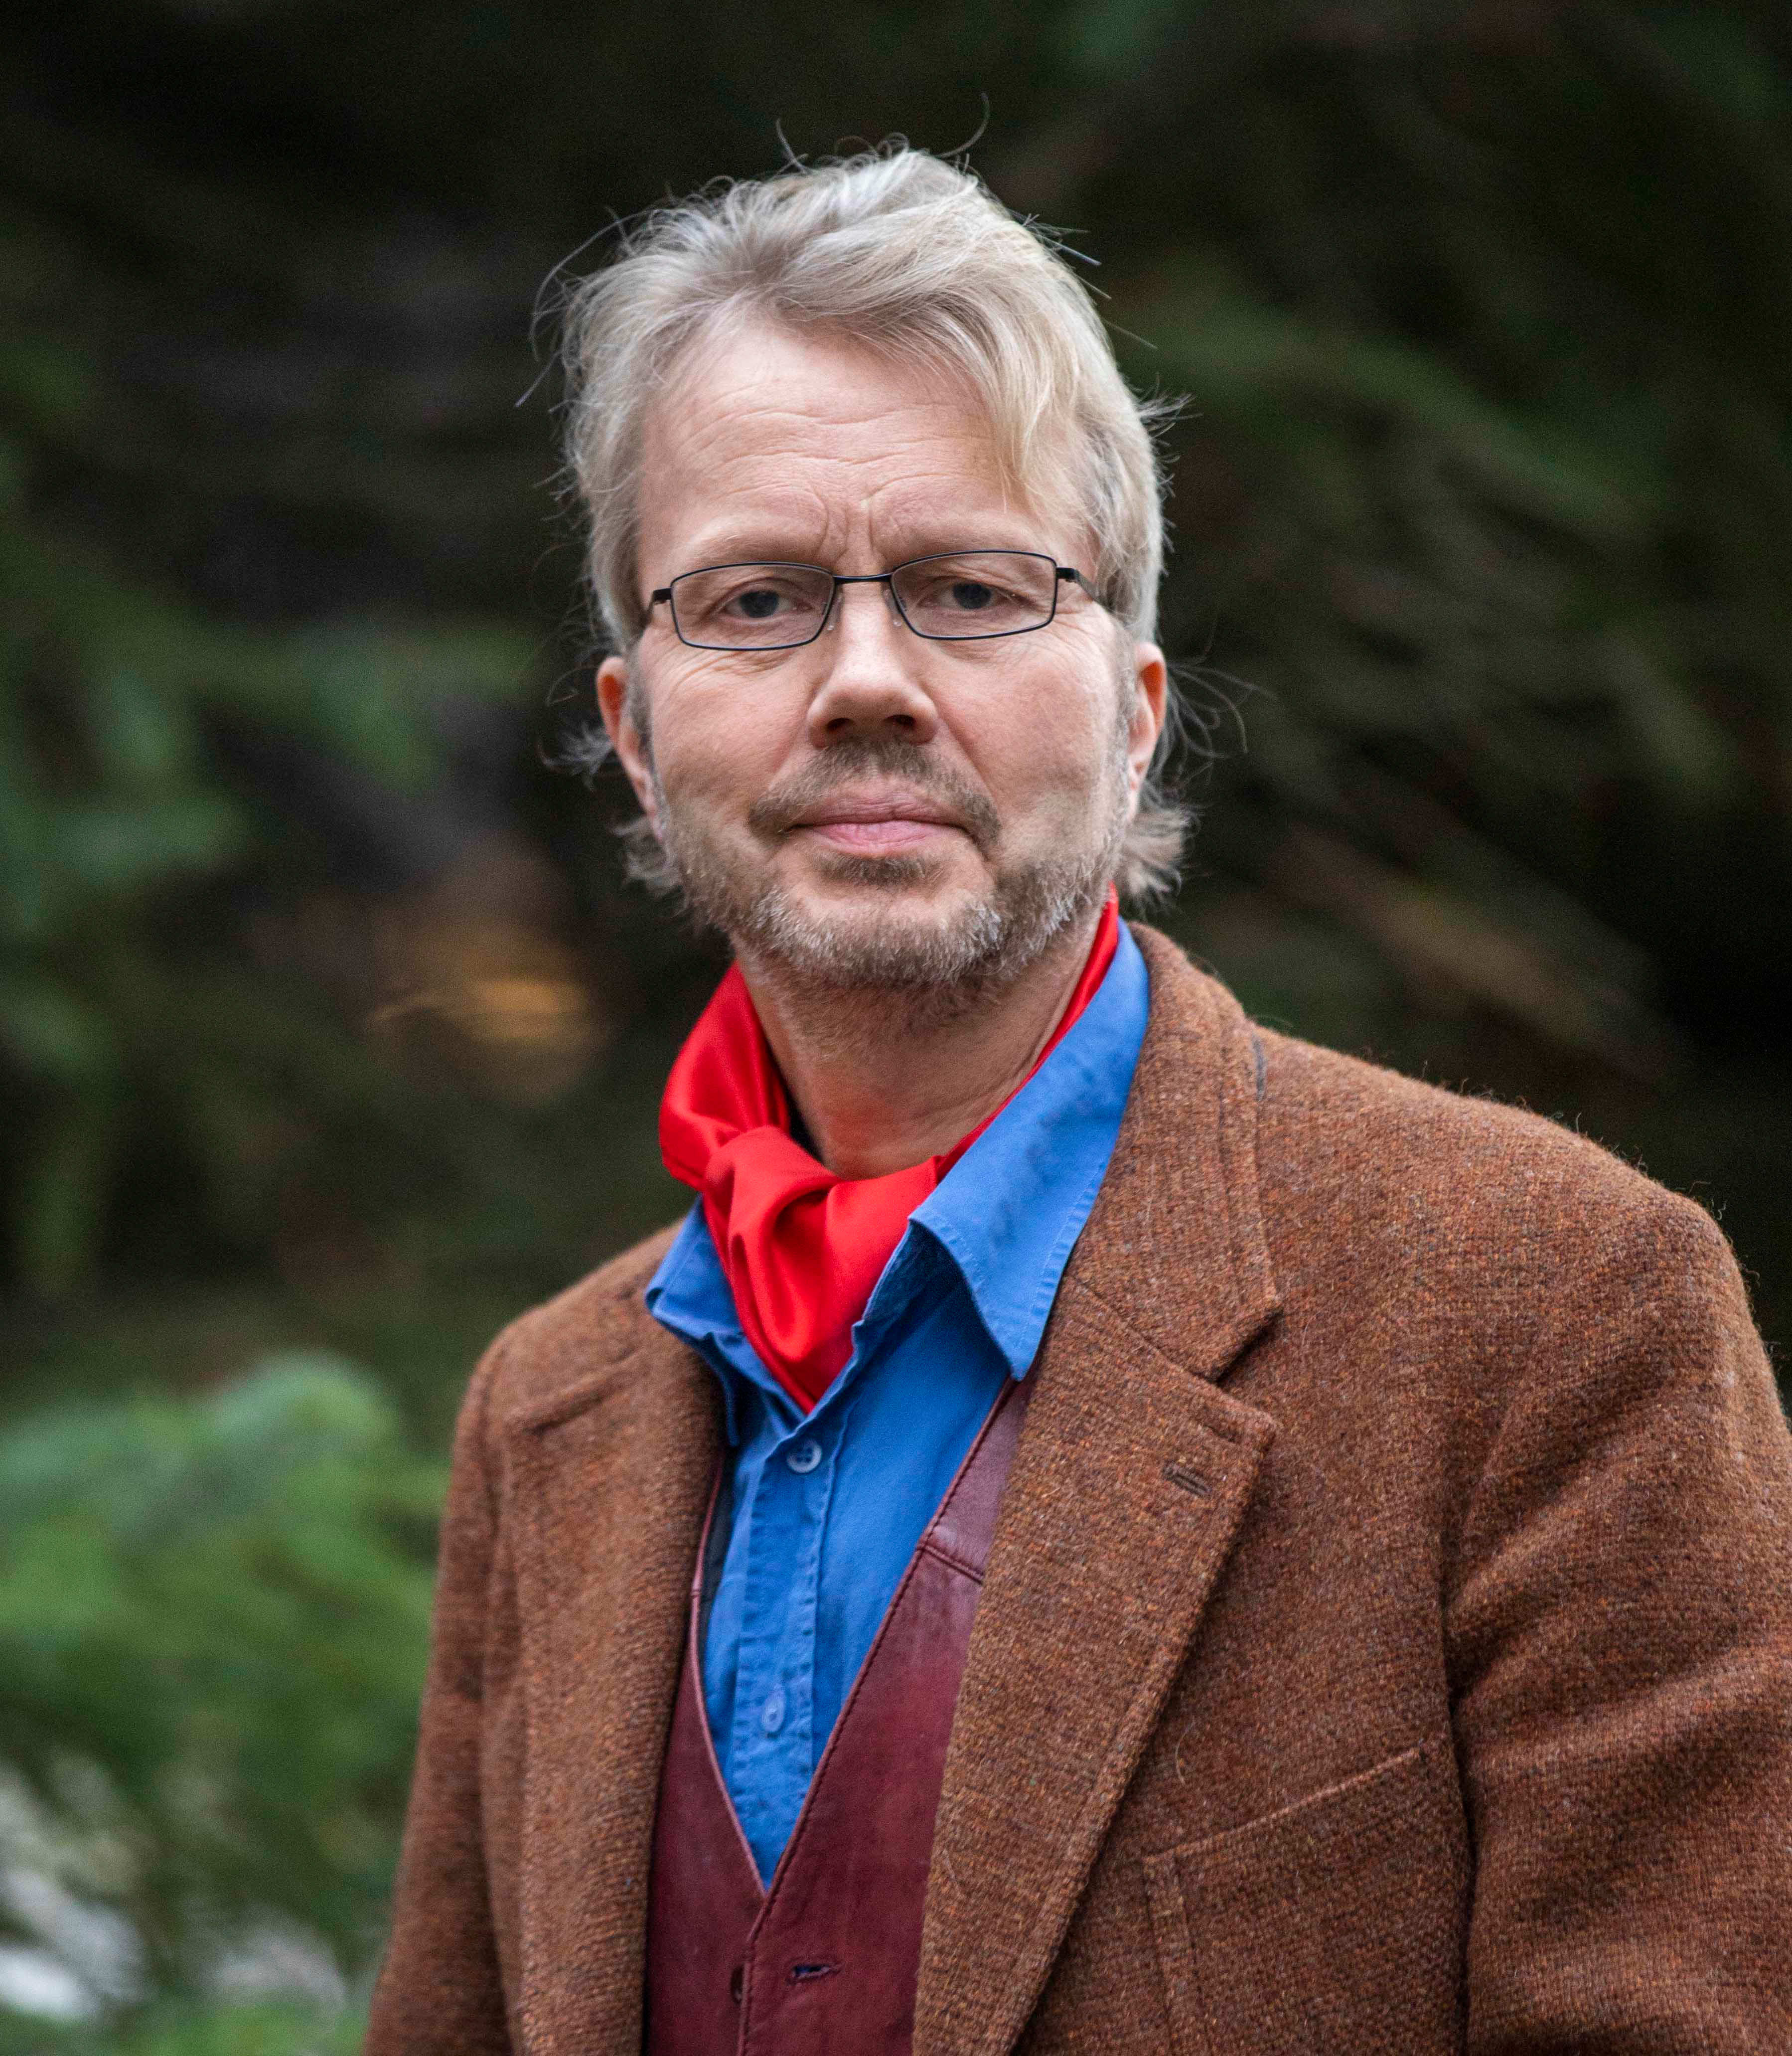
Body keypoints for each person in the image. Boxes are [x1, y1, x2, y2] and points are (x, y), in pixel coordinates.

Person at [364, 148, 1792, 2056]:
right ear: (635, 732)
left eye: (969, 589)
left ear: (1131, 710)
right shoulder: (545, 1412)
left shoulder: (1552, 1309)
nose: (865, 682)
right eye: (757, 599)